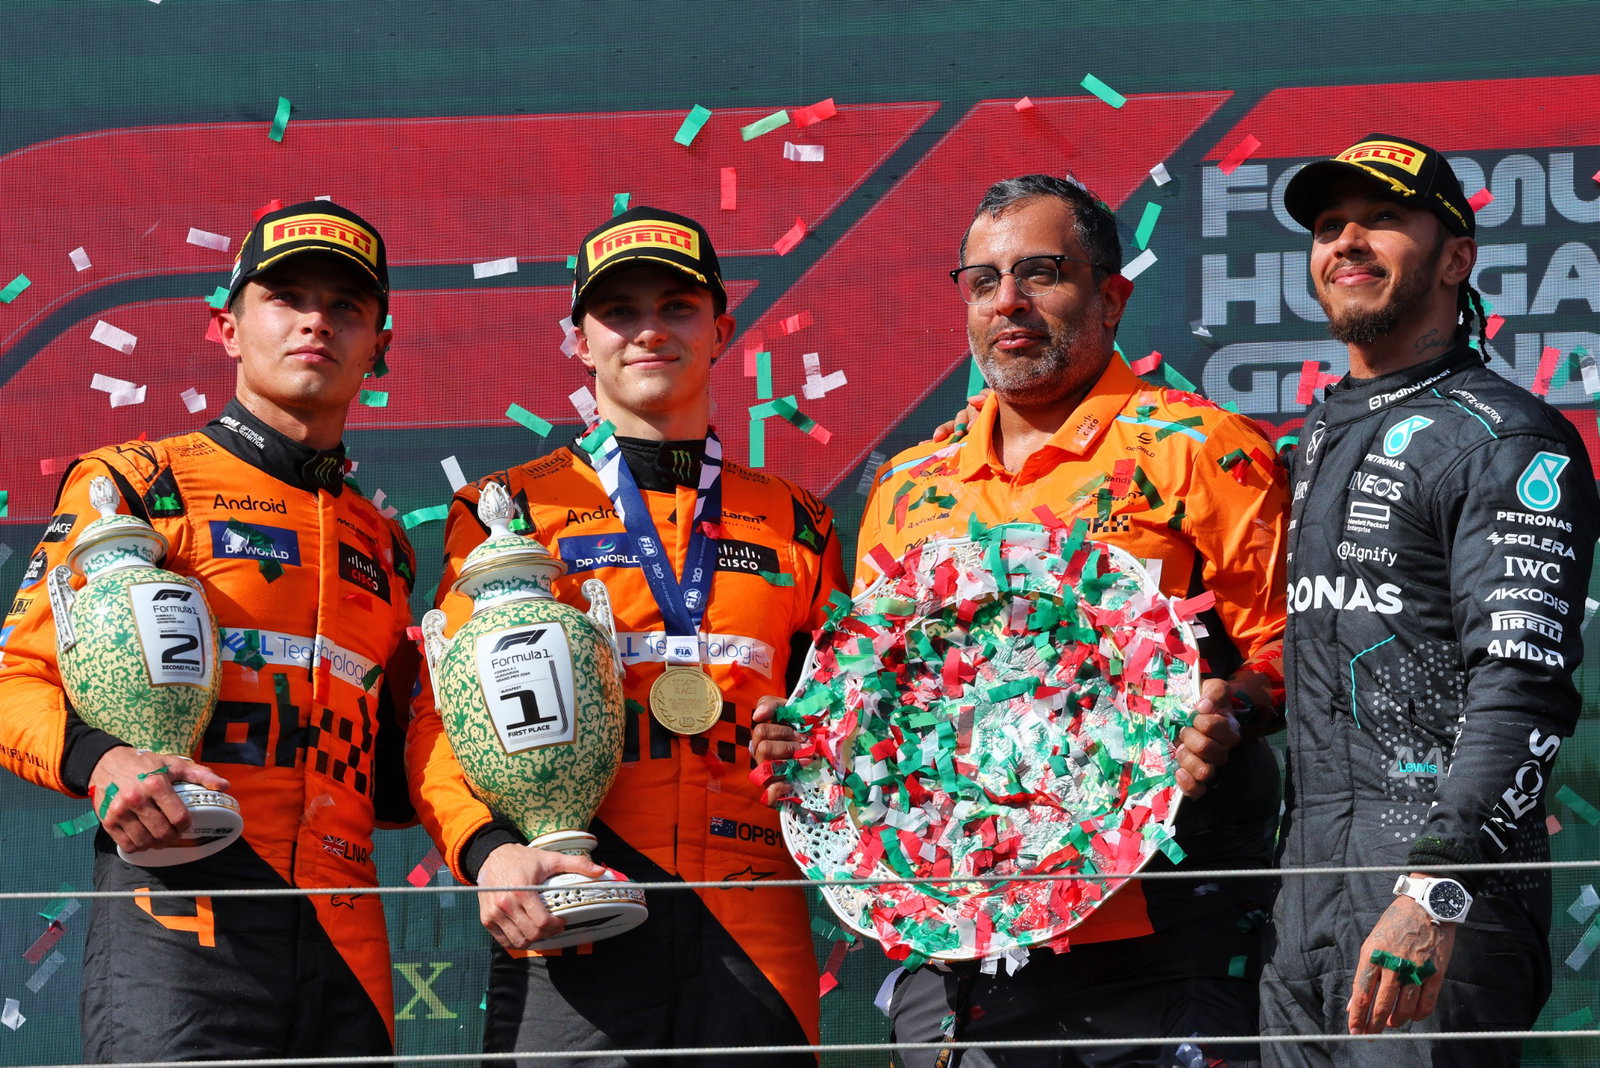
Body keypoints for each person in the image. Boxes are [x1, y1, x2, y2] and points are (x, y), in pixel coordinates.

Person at [759, 174, 1291, 1066]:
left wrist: (1231, 705)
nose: (1008, 301)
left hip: (1163, 931)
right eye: (981, 280)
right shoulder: (908, 487)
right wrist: (816, 748)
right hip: (957, 943)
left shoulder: (1204, 450)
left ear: (1112, 296)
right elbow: (881, 704)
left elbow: (1294, 643)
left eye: (1041, 272)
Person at [405, 205, 847, 1066]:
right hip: (578, 894)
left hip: (757, 917)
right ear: (580, 341)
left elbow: (853, 714)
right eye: (620, 312)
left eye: (676, 308)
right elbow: (441, 717)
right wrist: (489, 852)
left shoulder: (799, 519)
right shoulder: (510, 512)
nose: (650, 331)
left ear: (720, 329)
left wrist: (815, 745)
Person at [0, 201, 419, 1059]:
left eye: (346, 307)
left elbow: (394, 774)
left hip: (349, 937)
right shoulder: (138, 483)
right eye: (287, 298)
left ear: (379, 346)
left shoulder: (387, 544)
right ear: (227, 329)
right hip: (179, 906)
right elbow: (11, 681)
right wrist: (104, 761)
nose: (316, 321)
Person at [1260, 134, 1598, 1065]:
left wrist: (1434, 892)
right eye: (1330, 227)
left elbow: (1523, 687)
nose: (1348, 242)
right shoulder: (1317, 440)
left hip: (1436, 912)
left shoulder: (1504, 439)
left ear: (1456, 258)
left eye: (1383, 221)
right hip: (1303, 919)